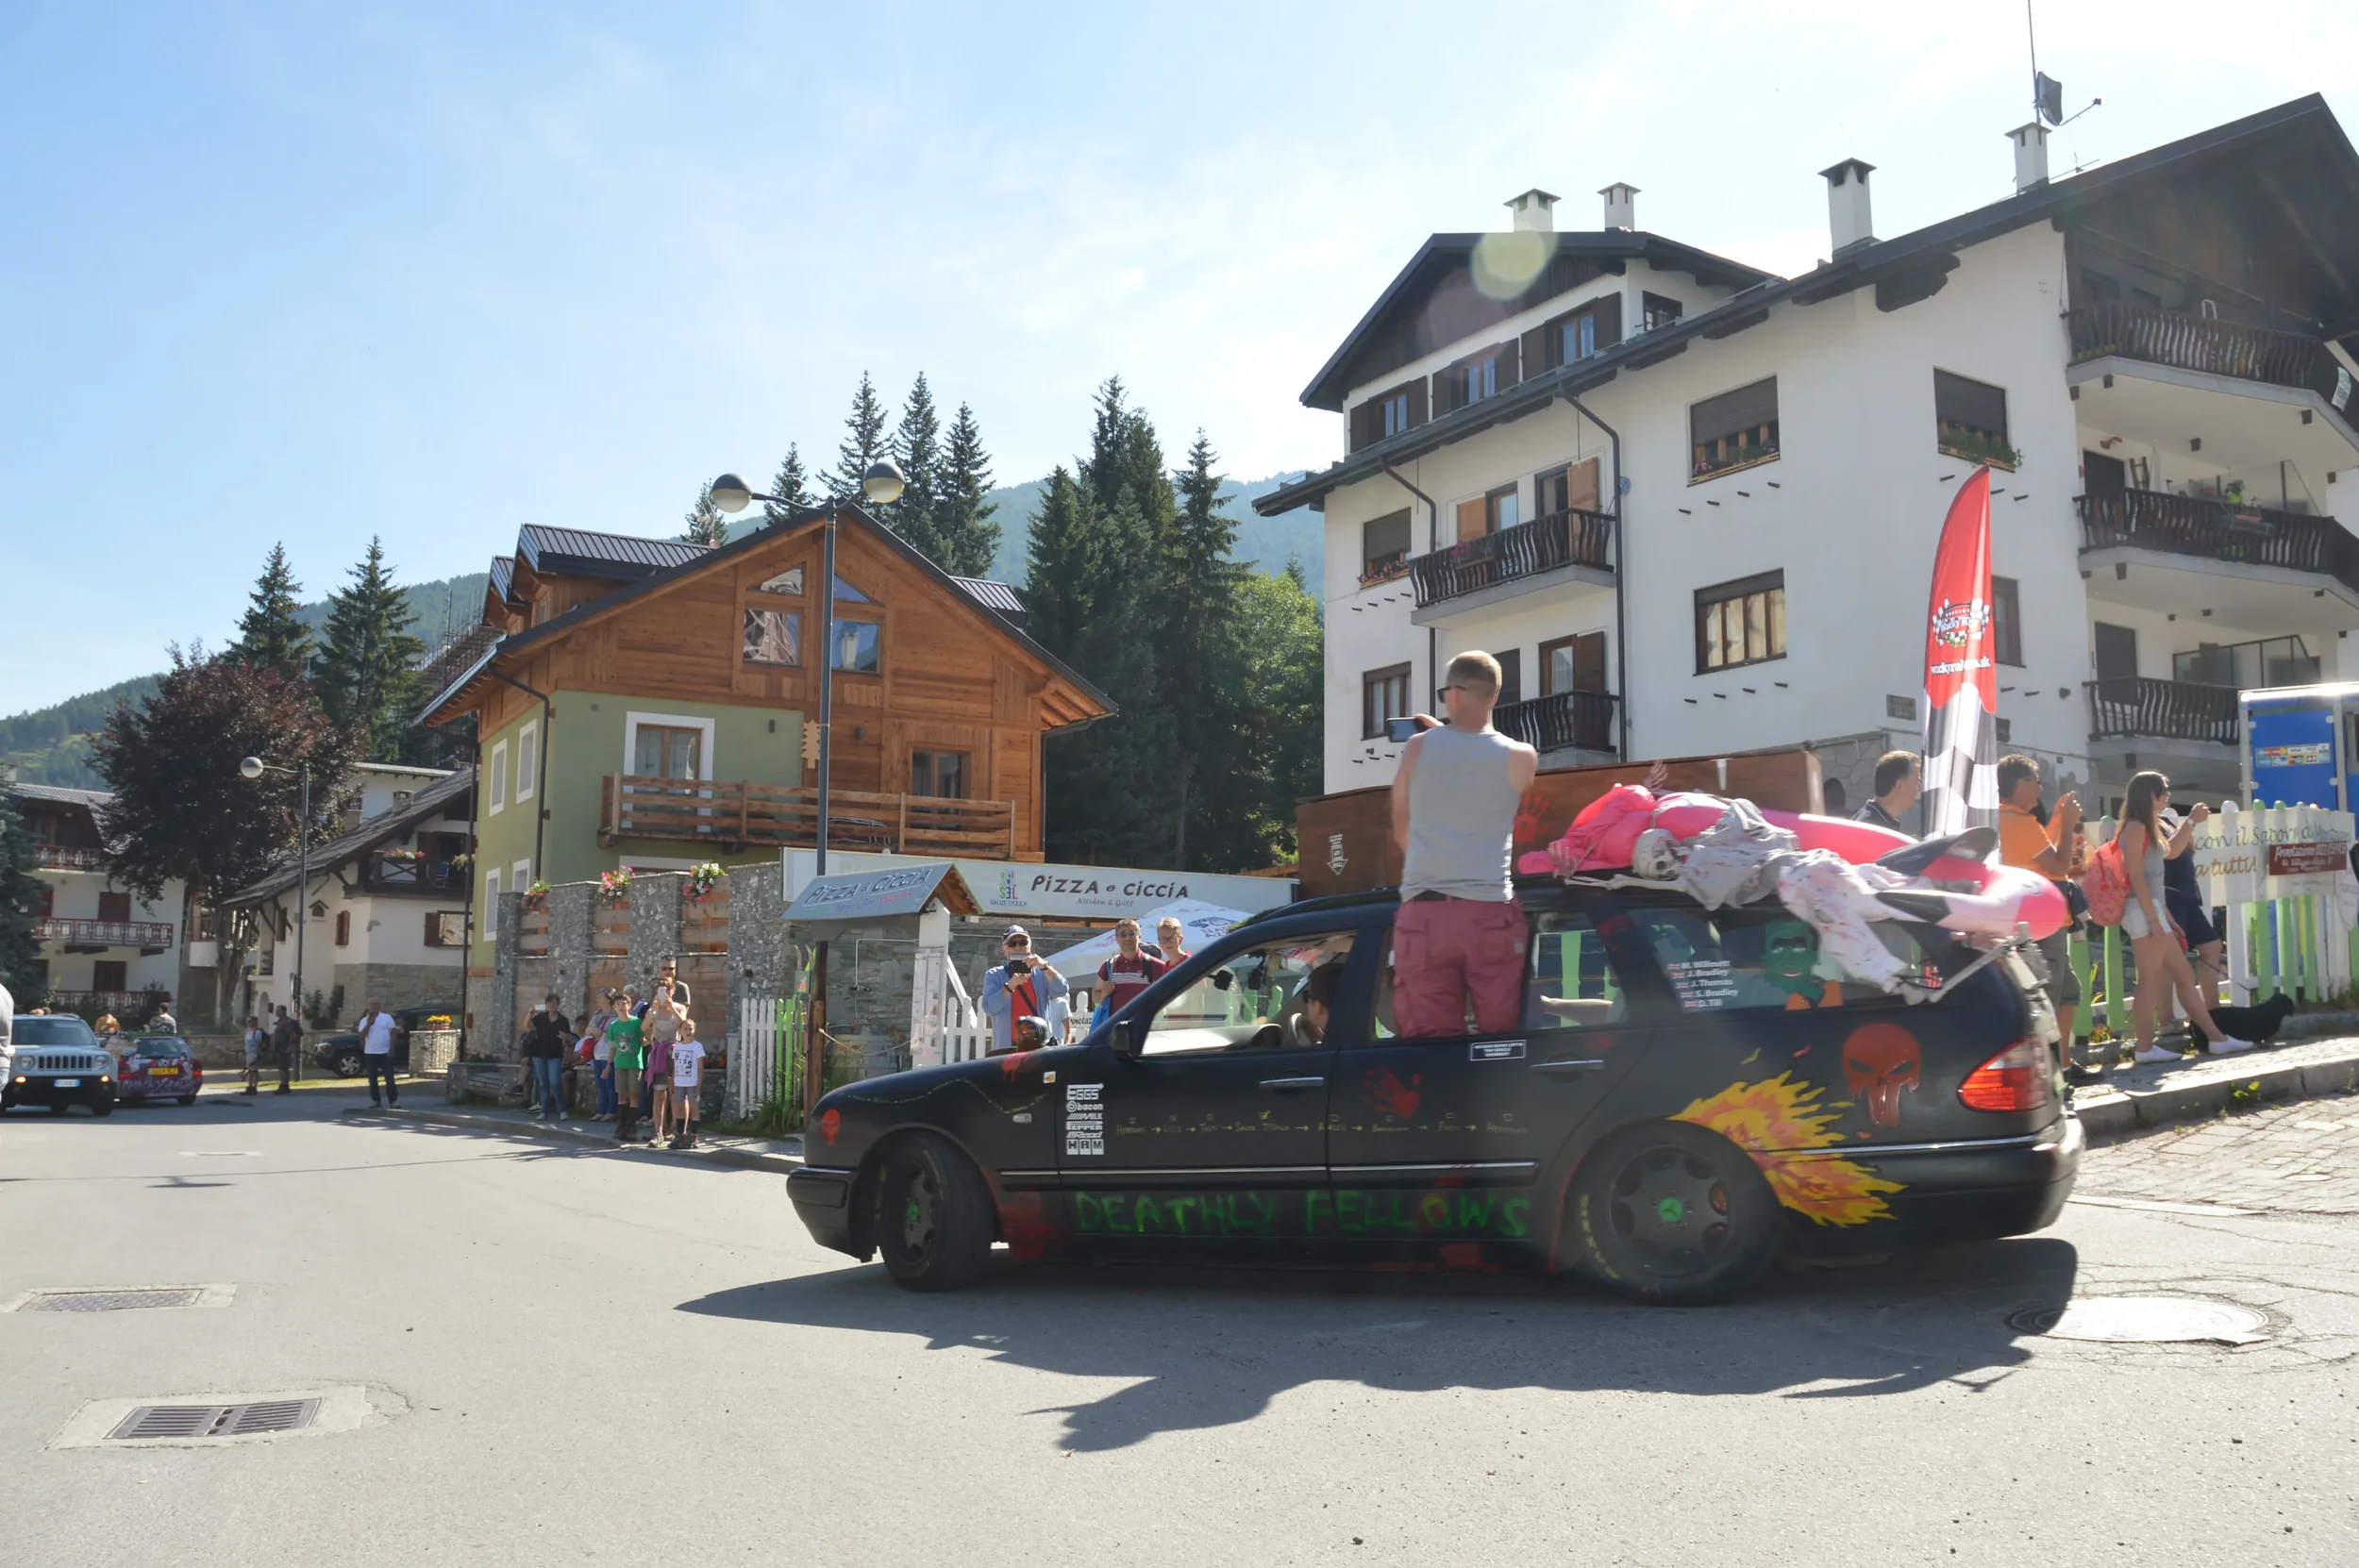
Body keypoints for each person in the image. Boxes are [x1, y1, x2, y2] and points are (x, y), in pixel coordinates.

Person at [1389, 650, 1538, 1039]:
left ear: (1453, 694)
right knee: (1502, 1041)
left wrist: (1429, 863)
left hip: (1427, 910)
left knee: (1430, 1047)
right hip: (1490, 910)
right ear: (1494, 697)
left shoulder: (1418, 748)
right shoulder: (1522, 756)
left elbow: (1400, 824)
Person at [2116, 771, 2251, 1062]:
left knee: (2183, 976)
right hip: (2143, 911)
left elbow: (2173, 851)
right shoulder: (2136, 827)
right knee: (2150, 980)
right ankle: (2144, 1049)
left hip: (2152, 909)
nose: (2166, 796)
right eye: (2161, 792)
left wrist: (2163, 915)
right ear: (2147, 795)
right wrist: (2154, 919)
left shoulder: (2149, 826)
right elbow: (2135, 878)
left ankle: (2216, 1039)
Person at [1995, 755, 2088, 1077]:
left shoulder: (2008, 819)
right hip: (2042, 924)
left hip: (2030, 921)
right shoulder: (2019, 821)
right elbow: (2060, 866)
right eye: (2035, 780)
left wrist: (2058, 819)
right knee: (2048, 996)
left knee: (2068, 991)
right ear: (2020, 784)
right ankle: (2048, 1073)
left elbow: (2041, 855)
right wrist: (2065, 824)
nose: (2040, 787)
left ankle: (2060, 1064)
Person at [2159, 807, 2228, 1023]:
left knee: (2211, 946)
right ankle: (2167, 1020)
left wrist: (2187, 828)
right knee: (2171, 958)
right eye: (2162, 791)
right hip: (2169, 895)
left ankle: (2213, 1013)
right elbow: (2171, 852)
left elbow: (2187, 850)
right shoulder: (2144, 824)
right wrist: (2190, 822)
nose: (2167, 795)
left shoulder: (2164, 822)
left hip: (2187, 896)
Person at [982, 926, 1068, 1054]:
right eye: (1012, 943)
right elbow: (989, 1008)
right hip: (1008, 1048)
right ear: (1004, 950)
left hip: (1039, 1047)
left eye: (1023, 942)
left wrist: (1044, 966)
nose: (1018, 947)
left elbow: (1062, 990)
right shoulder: (994, 975)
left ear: (1030, 947)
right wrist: (1010, 986)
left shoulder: (1041, 972)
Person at [1096, 919, 1168, 1016]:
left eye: (1131, 933)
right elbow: (1095, 995)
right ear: (1116, 938)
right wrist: (1103, 994)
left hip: (1144, 1027)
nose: (1127, 938)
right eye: (1122, 934)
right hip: (1115, 1027)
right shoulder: (1109, 965)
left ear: (1139, 937)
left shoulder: (1155, 965)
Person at [606, 987, 645, 1143]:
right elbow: (612, 1047)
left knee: (633, 1094)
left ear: (629, 1005)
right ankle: (621, 1126)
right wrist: (609, 1064)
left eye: (624, 1003)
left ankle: (631, 1127)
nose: (621, 1006)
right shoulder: (613, 1025)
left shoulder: (636, 1022)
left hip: (634, 1063)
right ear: (614, 1007)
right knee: (621, 1094)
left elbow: (644, 1040)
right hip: (619, 1063)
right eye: (618, 1004)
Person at [1853, 751, 1920, 834]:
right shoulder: (1871, 828)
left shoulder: (1876, 821)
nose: (1919, 788)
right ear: (1899, 785)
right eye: (1917, 782)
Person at [523, 1001, 570, 1119]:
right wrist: (530, 1013)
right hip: (538, 1054)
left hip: (555, 1054)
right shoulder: (540, 1018)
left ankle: (562, 1109)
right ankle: (544, 1111)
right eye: (549, 1003)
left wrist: (564, 1037)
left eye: (554, 1004)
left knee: (555, 1082)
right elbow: (526, 1026)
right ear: (546, 1005)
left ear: (558, 1005)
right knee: (543, 1083)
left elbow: (568, 1038)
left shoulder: (563, 1020)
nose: (551, 1006)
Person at [668, 1015, 706, 1148]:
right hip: (679, 1082)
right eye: (685, 1029)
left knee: (694, 1108)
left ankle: (694, 1136)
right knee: (679, 1109)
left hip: (692, 1082)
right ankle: (680, 1134)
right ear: (680, 1030)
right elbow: (675, 1066)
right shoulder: (677, 1047)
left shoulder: (697, 1047)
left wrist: (698, 1086)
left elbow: (700, 1067)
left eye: (690, 1028)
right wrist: (671, 1081)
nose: (688, 1031)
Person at [358, 997, 403, 1109]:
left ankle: (393, 1101)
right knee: (372, 1078)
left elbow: (393, 1033)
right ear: (368, 1007)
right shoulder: (364, 1020)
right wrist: (369, 1024)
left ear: (379, 1006)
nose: (374, 1007)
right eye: (372, 1005)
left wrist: (392, 1049)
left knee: (389, 1077)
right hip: (370, 1053)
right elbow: (362, 1036)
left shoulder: (387, 1018)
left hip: (385, 1052)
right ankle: (376, 1100)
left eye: (376, 1004)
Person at [584, 992, 618, 1121]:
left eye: (601, 997)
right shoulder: (597, 1014)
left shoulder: (616, 1015)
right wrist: (594, 1030)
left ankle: (611, 1111)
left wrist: (603, 1031)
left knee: (610, 1083)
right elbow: (588, 1030)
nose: (597, 1000)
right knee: (601, 1084)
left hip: (610, 1052)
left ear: (609, 1000)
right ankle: (601, 1111)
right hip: (597, 1052)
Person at [269, 1004, 300, 1094]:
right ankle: (284, 1085)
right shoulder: (280, 1021)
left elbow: (291, 1034)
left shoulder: (287, 1022)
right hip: (279, 1046)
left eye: (278, 1010)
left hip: (284, 1046)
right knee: (282, 1067)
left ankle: (284, 1085)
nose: (276, 1012)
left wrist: (289, 1046)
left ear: (283, 1011)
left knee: (282, 1067)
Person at [241, 1014, 266, 1095]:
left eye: (250, 1021)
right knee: (250, 1070)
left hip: (254, 1052)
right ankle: (250, 1086)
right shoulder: (247, 1031)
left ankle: (254, 1087)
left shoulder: (257, 1032)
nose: (248, 1023)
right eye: (247, 1021)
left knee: (254, 1070)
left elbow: (258, 1043)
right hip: (248, 1052)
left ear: (255, 1022)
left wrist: (256, 1055)